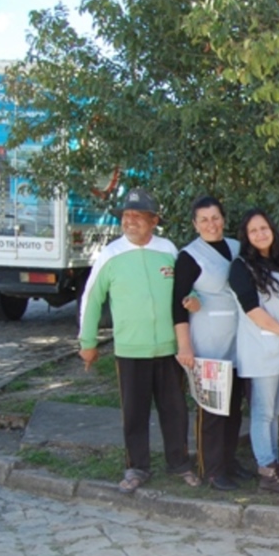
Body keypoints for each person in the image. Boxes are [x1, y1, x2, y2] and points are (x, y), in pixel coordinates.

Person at [78, 188, 198, 494]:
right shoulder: (111, 255)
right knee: (134, 412)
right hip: (131, 350)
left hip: (169, 348)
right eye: (126, 216)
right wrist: (87, 342)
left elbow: (186, 288)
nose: (130, 222)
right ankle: (137, 467)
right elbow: (92, 299)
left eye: (137, 216)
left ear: (154, 220)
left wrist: (193, 298)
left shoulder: (168, 250)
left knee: (174, 410)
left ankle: (180, 463)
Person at [173, 195, 245, 491]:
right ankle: (212, 469)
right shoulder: (190, 256)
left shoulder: (237, 248)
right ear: (195, 224)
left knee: (233, 406)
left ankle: (229, 462)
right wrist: (184, 346)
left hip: (238, 340)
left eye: (215, 218)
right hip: (208, 340)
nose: (211, 224)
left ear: (223, 219)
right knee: (212, 409)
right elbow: (178, 304)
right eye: (203, 219)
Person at [229, 209, 279, 495]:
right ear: (246, 237)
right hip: (262, 348)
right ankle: (266, 468)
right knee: (263, 412)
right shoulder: (241, 267)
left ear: (272, 230)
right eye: (253, 231)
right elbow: (252, 309)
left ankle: (274, 462)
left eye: (264, 228)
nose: (260, 234)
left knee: (275, 410)